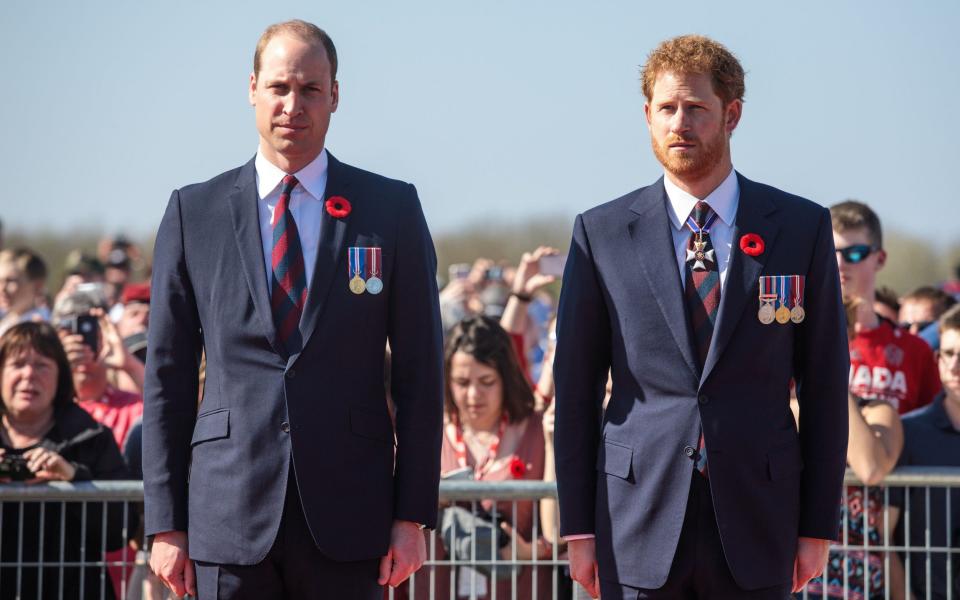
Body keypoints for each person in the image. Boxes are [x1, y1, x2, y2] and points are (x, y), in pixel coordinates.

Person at [143, 19, 444, 599]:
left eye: (310, 89)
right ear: (252, 88)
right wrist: (166, 521)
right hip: (226, 519)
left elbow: (421, 375)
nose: (292, 105)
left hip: (351, 518)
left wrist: (412, 517)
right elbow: (167, 379)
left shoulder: (391, 208)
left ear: (335, 95)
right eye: (279, 87)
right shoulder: (193, 212)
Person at [553, 35, 849, 599]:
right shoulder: (601, 233)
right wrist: (579, 527)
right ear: (647, 116)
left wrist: (816, 526)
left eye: (696, 108)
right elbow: (575, 390)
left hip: (759, 521)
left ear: (731, 114)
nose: (679, 124)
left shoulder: (800, 228)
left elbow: (826, 386)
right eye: (666, 109)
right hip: (635, 519)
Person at [402, 316, 552, 600]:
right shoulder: (423, 431)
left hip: (518, 589)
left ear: (506, 378)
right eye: (461, 382)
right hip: (435, 589)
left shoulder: (537, 431)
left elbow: (569, 530)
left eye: (486, 381)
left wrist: (533, 550)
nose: (473, 395)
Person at [0, 322, 131, 600]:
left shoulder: (90, 437)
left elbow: (119, 530)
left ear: (61, 376)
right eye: (18, 364)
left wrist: (73, 477)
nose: (28, 375)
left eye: (42, 365)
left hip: (72, 589)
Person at [800, 296, 905, 599]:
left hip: (857, 581)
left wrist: (828, 381)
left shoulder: (879, 412)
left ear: (848, 338)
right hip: (796, 575)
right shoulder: (780, 408)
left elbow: (870, 467)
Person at [832, 200, 941, 414]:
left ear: (880, 259)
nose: (839, 263)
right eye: (829, 250)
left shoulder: (916, 351)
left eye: (854, 253)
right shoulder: (800, 341)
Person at [889, 304, 960, 599]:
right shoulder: (909, 432)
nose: (955, 366)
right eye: (948, 354)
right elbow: (883, 534)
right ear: (937, 360)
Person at [53, 290, 144, 448]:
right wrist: (57, 366)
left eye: (90, 331)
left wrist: (130, 364)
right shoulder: (44, 409)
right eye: (70, 333)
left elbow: (171, 410)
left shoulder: (132, 406)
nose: (81, 342)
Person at [0, 248, 49, 336]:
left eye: (11, 281)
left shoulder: (41, 330)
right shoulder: (5, 323)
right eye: (0, 281)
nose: (2, 289)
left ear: (38, 286)